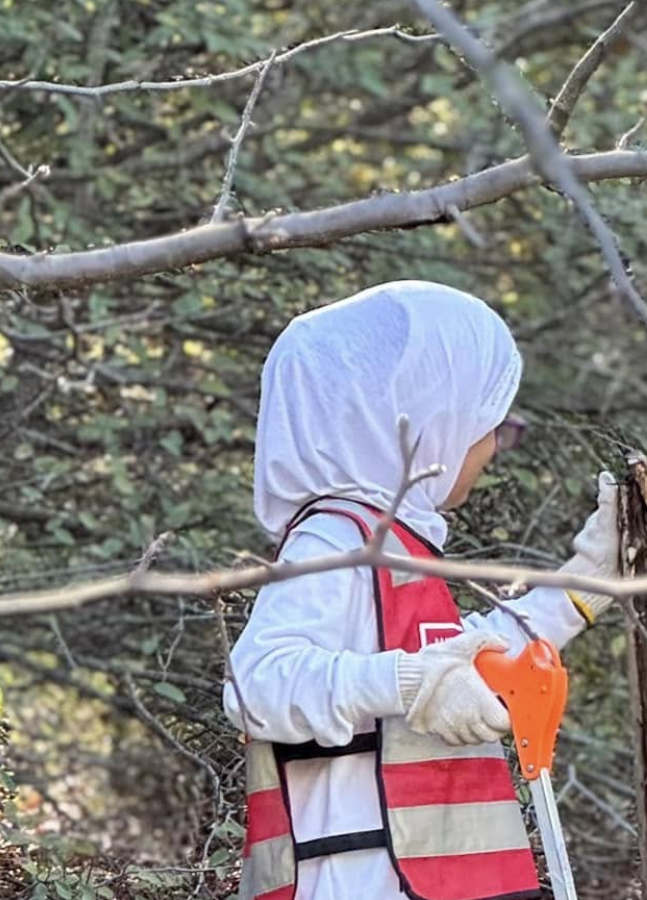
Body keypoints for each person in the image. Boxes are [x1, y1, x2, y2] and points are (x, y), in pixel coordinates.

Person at [224, 280, 621, 900]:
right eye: (488, 426)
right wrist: (410, 683)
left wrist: (581, 590)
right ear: (430, 424)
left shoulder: (393, 547)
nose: (493, 448)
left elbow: (457, 660)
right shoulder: (335, 539)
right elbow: (257, 684)